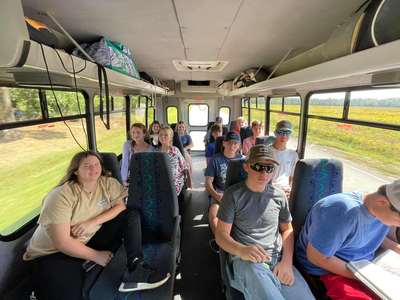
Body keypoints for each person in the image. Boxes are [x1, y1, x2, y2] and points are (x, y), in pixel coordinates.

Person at [23, 151, 169, 300]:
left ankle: (135, 267)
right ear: (75, 171)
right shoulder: (61, 195)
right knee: (67, 293)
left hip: (90, 235)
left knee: (131, 214)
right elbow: (61, 242)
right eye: (87, 166)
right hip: (54, 251)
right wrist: (96, 255)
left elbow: (120, 207)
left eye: (96, 164)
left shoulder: (108, 183)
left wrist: (91, 222)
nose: (93, 168)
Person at [215, 145, 315, 300]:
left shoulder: (279, 196)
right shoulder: (233, 195)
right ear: (246, 167)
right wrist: (242, 251)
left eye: (270, 168)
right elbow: (221, 234)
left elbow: (287, 230)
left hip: (277, 260)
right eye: (258, 166)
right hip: (247, 261)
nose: (264, 172)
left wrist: (287, 262)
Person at [296, 181, 400, 300]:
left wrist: (396, 248)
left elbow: (368, 233)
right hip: (324, 271)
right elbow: (316, 257)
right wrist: (365, 277)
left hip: (360, 267)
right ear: (382, 202)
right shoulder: (341, 213)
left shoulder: (379, 209)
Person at [205, 131, 245, 235]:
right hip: (221, 194)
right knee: (213, 215)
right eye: (229, 143)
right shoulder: (215, 159)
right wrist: (217, 196)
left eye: (235, 143)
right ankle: (220, 243)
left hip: (240, 195)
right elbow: (208, 182)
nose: (232, 146)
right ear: (223, 143)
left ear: (239, 146)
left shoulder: (244, 161)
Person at [154, 126, 190, 195]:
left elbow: (174, 170)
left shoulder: (174, 150)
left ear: (170, 137)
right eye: (161, 134)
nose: (162, 137)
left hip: (172, 177)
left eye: (166, 135)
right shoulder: (156, 150)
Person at [268, 120, 299, 199]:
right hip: (269, 189)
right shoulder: (267, 152)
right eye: (281, 132)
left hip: (285, 190)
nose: (284, 135)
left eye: (287, 133)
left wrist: (290, 190)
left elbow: (292, 177)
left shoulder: (293, 155)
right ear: (275, 133)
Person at [121, 123, 154, 189]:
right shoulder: (127, 145)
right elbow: (125, 164)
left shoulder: (152, 149)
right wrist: (123, 180)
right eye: (133, 132)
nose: (135, 135)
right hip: (130, 177)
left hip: (146, 178)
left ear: (144, 134)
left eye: (138, 132)